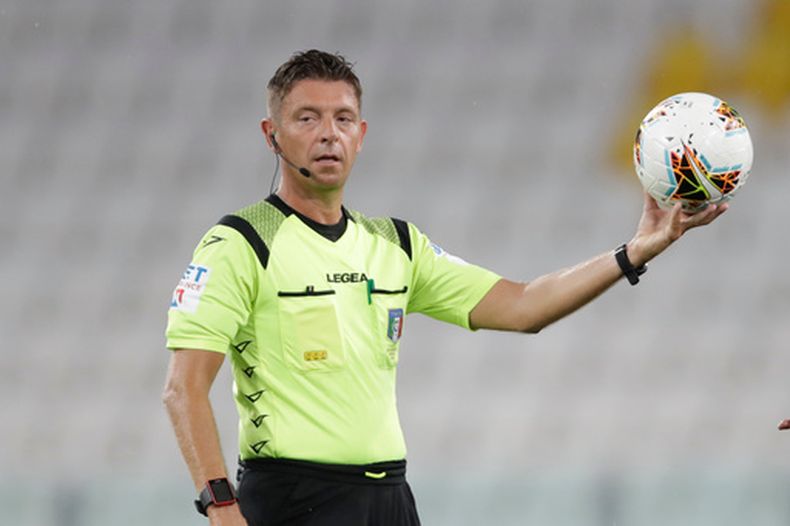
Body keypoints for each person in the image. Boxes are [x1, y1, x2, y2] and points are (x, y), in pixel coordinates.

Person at [162, 49, 727, 526]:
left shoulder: (396, 245)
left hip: (390, 499)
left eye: (342, 118)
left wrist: (635, 251)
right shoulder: (240, 243)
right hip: (294, 499)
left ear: (362, 134)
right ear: (272, 135)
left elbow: (523, 305)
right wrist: (220, 507)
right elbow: (183, 388)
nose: (328, 133)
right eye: (307, 118)